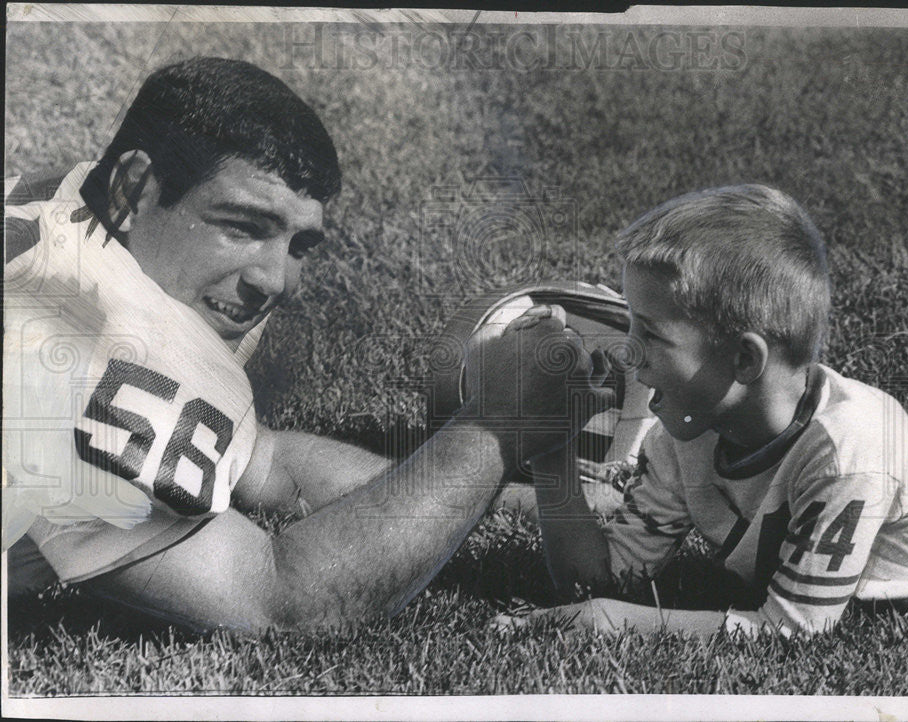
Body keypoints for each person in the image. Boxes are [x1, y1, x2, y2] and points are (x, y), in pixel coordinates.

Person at [3, 57, 611, 633]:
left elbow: (259, 460)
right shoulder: (71, 354)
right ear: (133, 190)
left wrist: (523, 504)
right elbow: (278, 601)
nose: (276, 281)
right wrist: (497, 425)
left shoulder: (75, 204)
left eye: (298, 246)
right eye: (242, 226)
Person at [502, 185, 908, 637]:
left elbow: (793, 628)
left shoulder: (850, 449)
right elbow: (599, 579)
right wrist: (553, 450)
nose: (626, 354)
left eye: (649, 334)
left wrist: (609, 620)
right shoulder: (686, 431)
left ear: (744, 359)